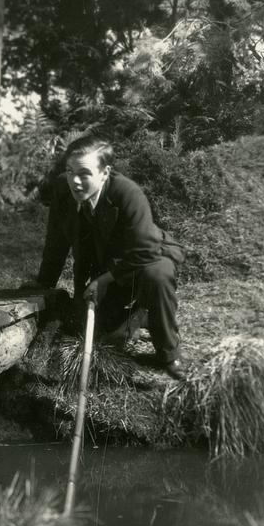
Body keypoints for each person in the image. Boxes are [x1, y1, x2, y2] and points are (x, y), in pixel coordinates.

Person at [35, 134, 188, 380]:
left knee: (157, 275)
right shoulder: (63, 190)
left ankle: (169, 353)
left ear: (104, 173)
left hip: (145, 258)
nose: (75, 181)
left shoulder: (127, 192)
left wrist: (105, 280)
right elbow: (56, 242)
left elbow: (145, 250)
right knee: (97, 334)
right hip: (104, 268)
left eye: (84, 173)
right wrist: (43, 286)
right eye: (69, 170)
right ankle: (140, 316)